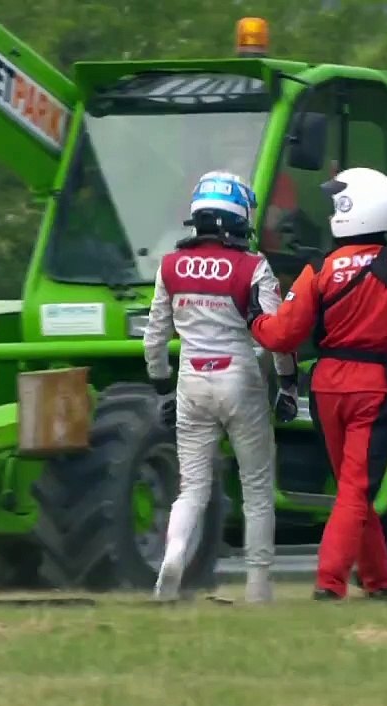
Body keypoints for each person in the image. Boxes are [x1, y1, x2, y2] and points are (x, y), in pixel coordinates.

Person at [246, 167, 387, 602]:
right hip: (375, 390)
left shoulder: (319, 270)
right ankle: (330, 582)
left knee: (350, 484)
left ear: (348, 212)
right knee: (356, 488)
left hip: (326, 390)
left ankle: (380, 582)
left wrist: (254, 320)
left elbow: (282, 335)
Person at [143, 170, 300, 604]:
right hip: (240, 378)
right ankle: (257, 586)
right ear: (237, 216)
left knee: (191, 488)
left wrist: (161, 387)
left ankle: (172, 559)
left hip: (191, 376)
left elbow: (155, 338)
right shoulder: (253, 266)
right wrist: (288, 385)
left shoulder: (170, 265)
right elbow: (276, 334)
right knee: (255, 488)